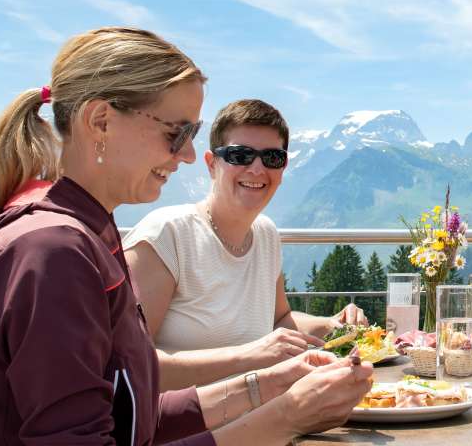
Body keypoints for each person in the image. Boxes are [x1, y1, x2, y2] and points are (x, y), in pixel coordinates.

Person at [0, 27, 372, 446]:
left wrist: (267, 384)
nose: (185, 155)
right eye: (176, 133)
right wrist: (285, 419)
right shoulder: (53, 253)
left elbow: (131, 418)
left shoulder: (81, 235)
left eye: (192, 135)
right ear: (100, 121)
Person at [124, 98, 367, 390]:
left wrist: (330, 324)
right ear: (211, 164)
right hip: (186, 426)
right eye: (240, 155)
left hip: (258, 411)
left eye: (272, 158)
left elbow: (279, 320)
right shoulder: (166, 235)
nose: (256, 169)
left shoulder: (265, 233)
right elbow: (128, 366)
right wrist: (249, 357)